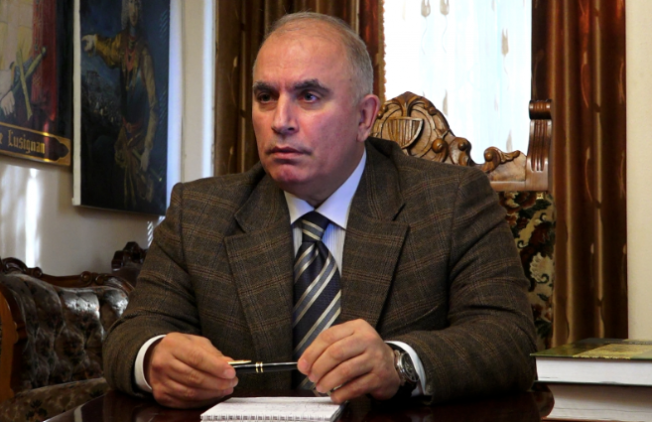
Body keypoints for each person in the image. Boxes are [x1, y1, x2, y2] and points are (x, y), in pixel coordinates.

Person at [103, 12, 536, 409]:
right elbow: (129, 339)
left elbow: (511, 340)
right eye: (265, 96)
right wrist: (153, 358)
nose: (280, 121)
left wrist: (399, 363)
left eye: (308, 96)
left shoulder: (451, 201)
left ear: (364, 117)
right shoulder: (198, 212)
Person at [82, 0, 159, 207]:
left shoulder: (145, 56)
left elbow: (154, 108)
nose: (134, 11)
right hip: (123, 137)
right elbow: (110, 50)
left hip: (138, 140)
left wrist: (147, 150)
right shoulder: (122, 42)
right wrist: (95, 42)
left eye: (137, 6)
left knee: (136, 195)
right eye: (130, 5)